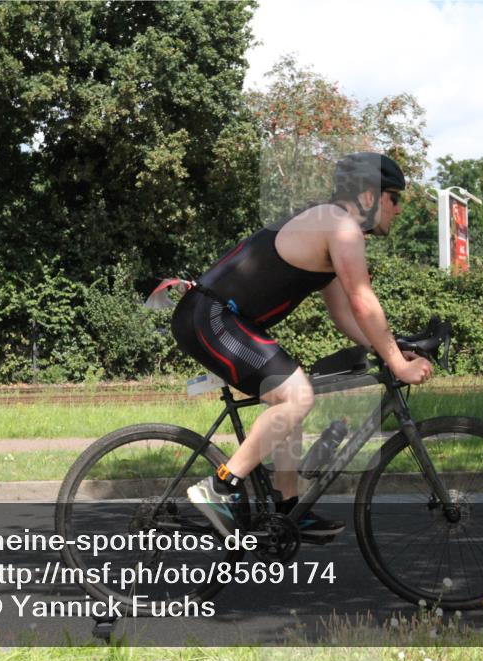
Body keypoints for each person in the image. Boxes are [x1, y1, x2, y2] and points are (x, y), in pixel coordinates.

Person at [171, 152, 433, 540]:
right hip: (211, 318)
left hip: (220, 319)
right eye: (394, 198)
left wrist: (391, 347)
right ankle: (220, 486)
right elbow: (363, 301)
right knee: (297, 396)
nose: (398, 209)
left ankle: (287, 510)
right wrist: (397, 363)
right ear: (368, 197)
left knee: (290, 395)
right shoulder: (339, 226)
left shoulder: (330, 225)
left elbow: (346, 314)